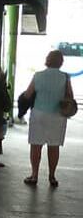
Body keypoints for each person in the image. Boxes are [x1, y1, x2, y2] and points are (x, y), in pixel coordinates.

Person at [23, 50, 74, 187]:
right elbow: (70, 95)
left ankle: (34, 176)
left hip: (39, 114)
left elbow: (28, 94)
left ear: (47, 60)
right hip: (57, 116)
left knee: (36, 146)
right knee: (54, 147)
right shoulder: (65, 77)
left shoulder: (38, 75)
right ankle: (52, 176)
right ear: (61, 62)